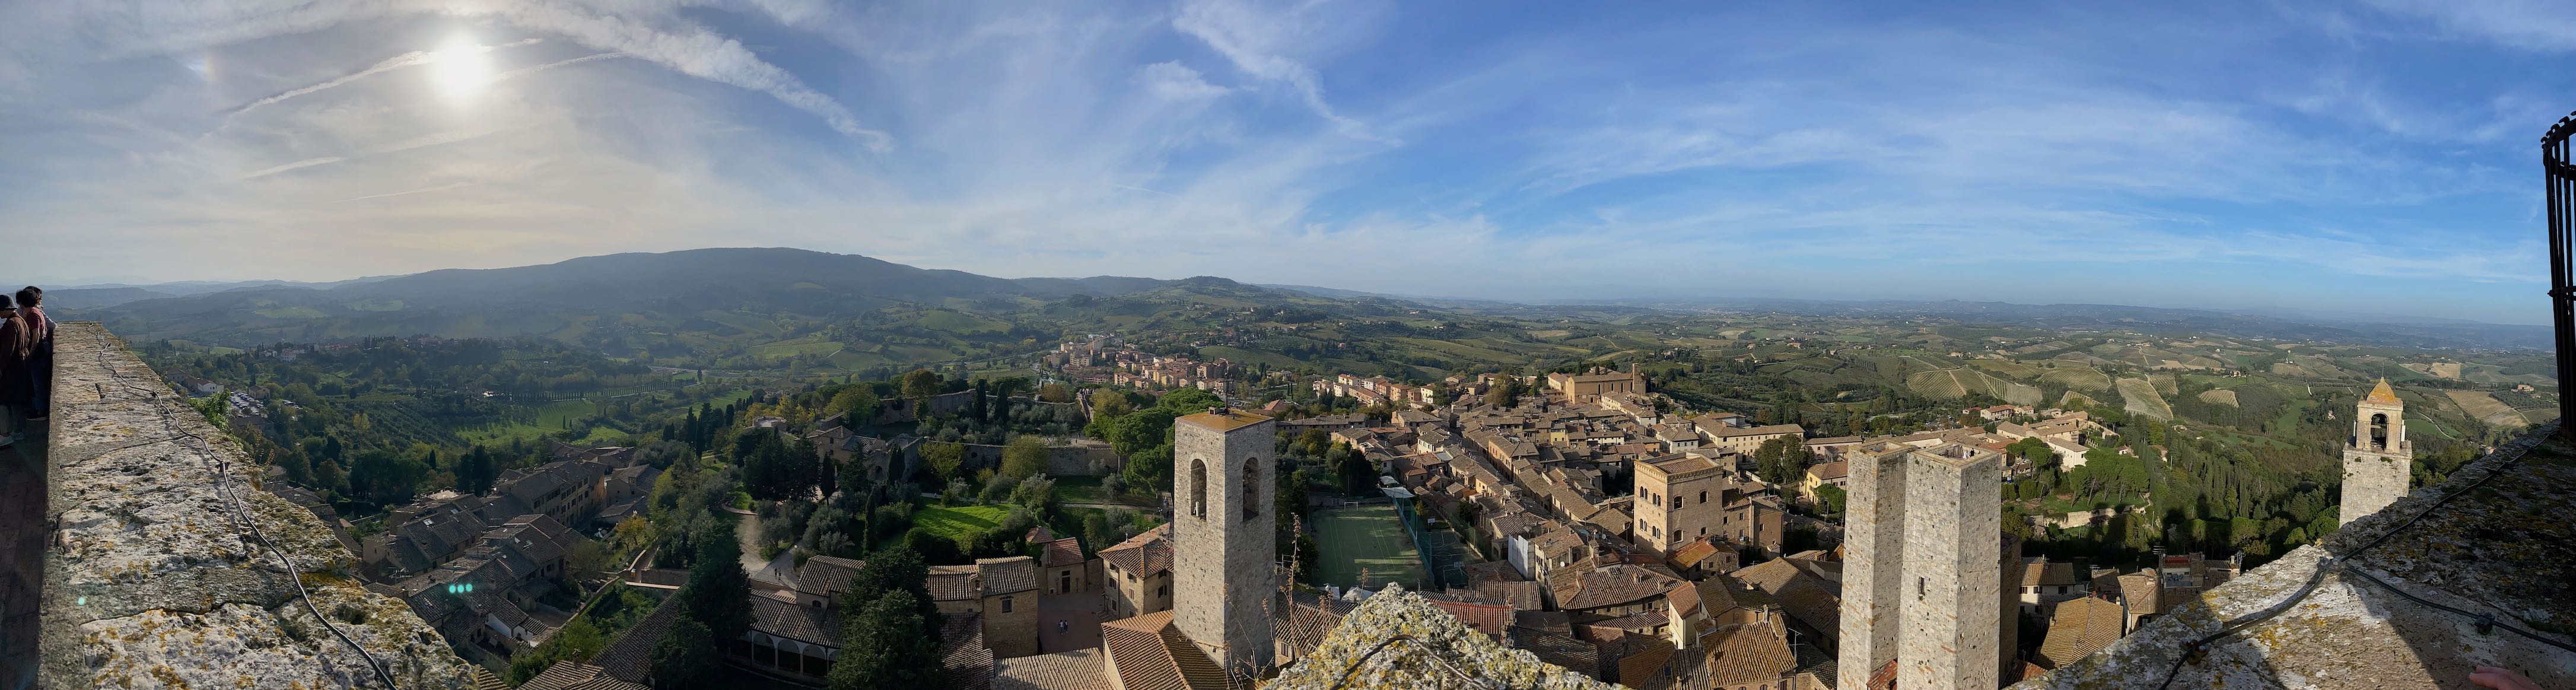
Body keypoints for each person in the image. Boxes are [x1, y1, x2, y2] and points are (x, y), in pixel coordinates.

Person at [0, 294, 30, 447]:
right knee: (16, 401)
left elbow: (8, 350)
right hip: (20, 366)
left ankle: (6, 434)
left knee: (4, 401)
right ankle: (18, 432)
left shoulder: (11, 324)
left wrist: (0, 368)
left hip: (11, 369)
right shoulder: (21, 321)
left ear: (5, 310)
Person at [17, 287, 46, 421]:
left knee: (37, 382)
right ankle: (39, 409)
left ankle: (41, 412)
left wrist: (31, 353)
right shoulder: (34, 312)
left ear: (21, 303)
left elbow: (36, 335)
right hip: (40, 352)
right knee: (37, 381)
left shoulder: (33, 314)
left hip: (38, 353)